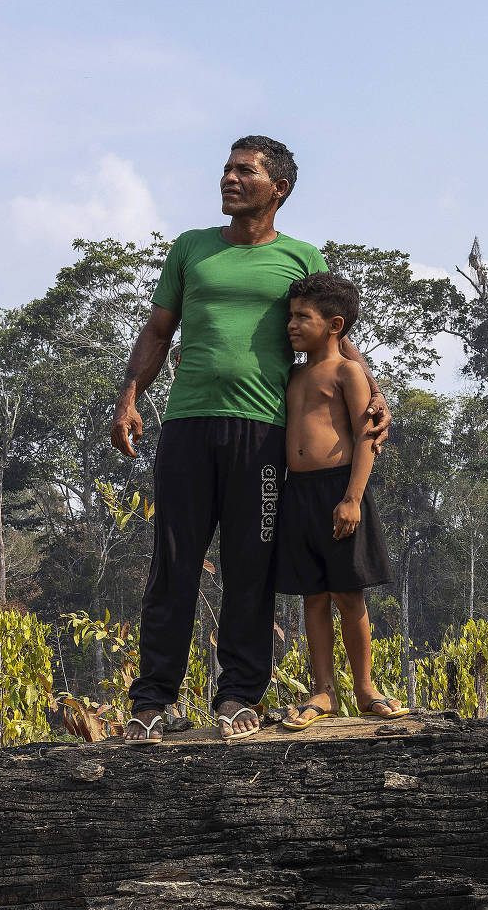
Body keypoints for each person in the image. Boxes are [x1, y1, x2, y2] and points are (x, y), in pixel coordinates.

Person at [108, 136, 384, 741]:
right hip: (187, 425)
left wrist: (372, 389)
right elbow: (158, 332)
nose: (229, 178)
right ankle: (151, 702)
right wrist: (130, 396)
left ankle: (237, 698)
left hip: (261, 432)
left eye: (245, 171)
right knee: (173, 564)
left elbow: (333, 339)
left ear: (277, 188)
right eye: (227, 169)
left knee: (249, 566)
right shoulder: (191, 250)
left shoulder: (302, 257)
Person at [273, 272, 408, 729]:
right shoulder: (291, 373)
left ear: (334, 325)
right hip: (298, 494)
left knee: (348, 595)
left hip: (339, 491)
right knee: (313, 597)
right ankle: (322, 690)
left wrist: (352, 498)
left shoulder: (348, 372)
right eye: (289, 315)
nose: (291, 325)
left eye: (301, 317)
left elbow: (367, 437)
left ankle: (366, 687)